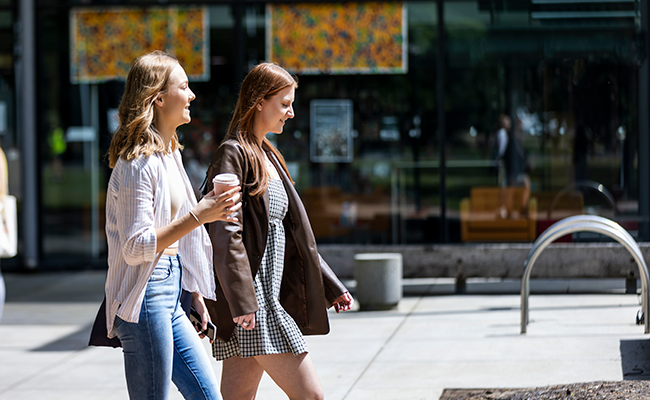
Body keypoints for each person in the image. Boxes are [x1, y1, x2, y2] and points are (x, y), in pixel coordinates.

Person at [203, 62, 354, 400]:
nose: (291, 112)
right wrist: (243, 302)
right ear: (259, 101)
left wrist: (332, 286)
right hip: (256, 303)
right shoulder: (234, 154)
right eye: (285, 103)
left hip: (258, 302)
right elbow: (225, 231)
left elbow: (289, 235)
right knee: (311, 396)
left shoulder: (266, 153)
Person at [103, 50, 241, 400]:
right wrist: (201, 214)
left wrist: (192, 292)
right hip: (145, 296)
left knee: (208, 395)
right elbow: (135, 248)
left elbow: (177, 239)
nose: (192, 94)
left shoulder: (169, 154)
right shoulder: (139, 163)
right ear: (159, 98)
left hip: (170, 289)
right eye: (184, 86)